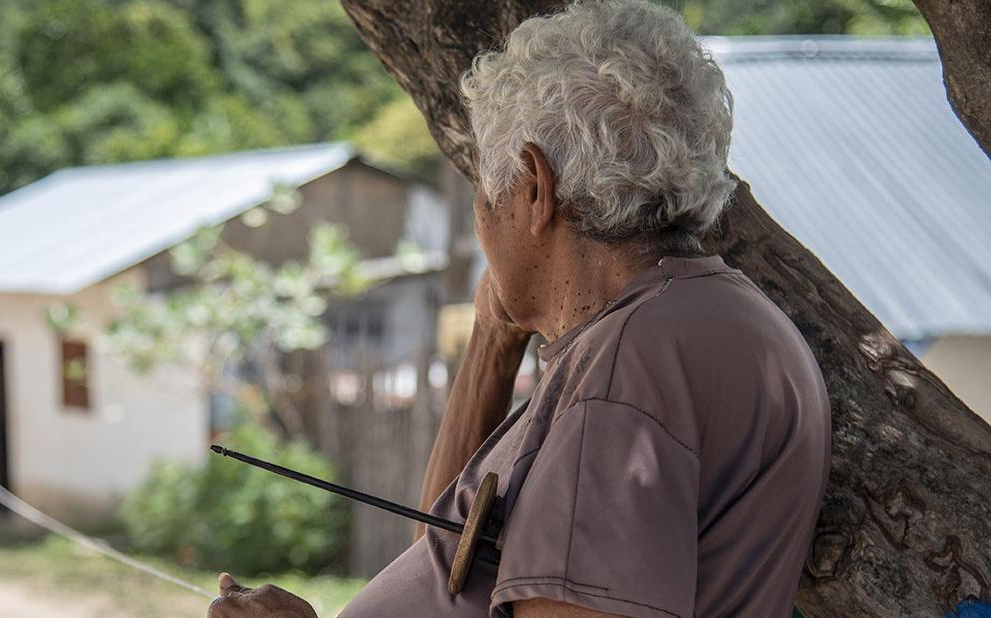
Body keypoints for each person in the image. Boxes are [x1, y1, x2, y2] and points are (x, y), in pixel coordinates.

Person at [208, 0, 830, 615]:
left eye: (484, 192)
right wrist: (493, 337)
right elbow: (446, 561)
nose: (482, 220)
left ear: (535, 188)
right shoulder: (718, 320)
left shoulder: (627, 369)